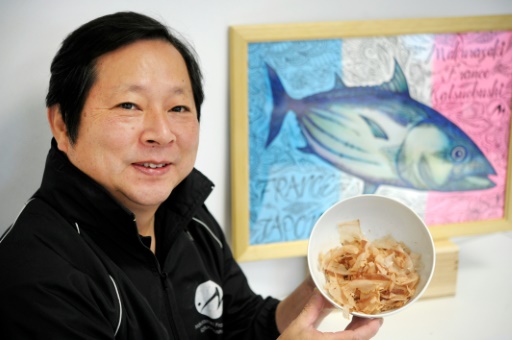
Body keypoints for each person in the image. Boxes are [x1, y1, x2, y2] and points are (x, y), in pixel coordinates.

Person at [0, 11, 383, 339]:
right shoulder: (34, 272)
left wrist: (327, 286)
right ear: (63, 125)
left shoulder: (190, 216)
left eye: (178, 107)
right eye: (129, 105)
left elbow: (244, 325)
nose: (161, 133)